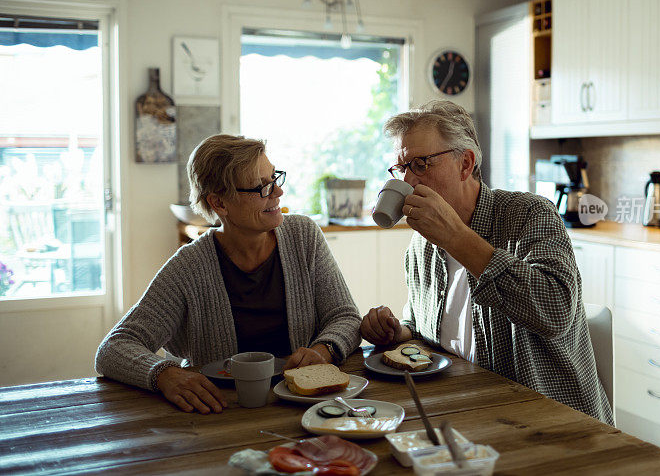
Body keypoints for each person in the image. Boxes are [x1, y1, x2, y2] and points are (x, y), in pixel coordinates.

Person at [360, 101, 613, 424]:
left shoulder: (529, 215)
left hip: (552, 422)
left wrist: (457, 238)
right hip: (468, 411)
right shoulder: (420, 246)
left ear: (465, 164)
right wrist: (399, 334)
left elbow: (555, 312)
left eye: (420, 164)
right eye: (401, 168)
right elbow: (425, 331)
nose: (408, 180)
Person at [96, 134, 361, 414]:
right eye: (261, 187)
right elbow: (114, 348)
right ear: (220, 203)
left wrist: (323, 349)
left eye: (274, 178)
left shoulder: (303, 236)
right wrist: (164, 374)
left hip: (304, 406)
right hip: (219, 411)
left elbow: (345, 316)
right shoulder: (189, 267)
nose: (277, 192)